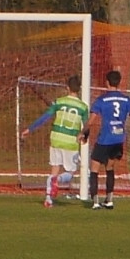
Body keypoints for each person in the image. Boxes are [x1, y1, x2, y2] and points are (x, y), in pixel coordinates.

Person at [21, 75, 89, 208]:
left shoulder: (59, 102)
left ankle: (48, 199)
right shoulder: (83, 107)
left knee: (54, 168)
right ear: (79, 89)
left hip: (56, 138)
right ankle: (57, 181)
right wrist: (84, 137)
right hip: (70, 140)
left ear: (67, 88)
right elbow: (86, 125)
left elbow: (45, 117)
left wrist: (29, 129)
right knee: (70, 172)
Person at [80, 69, 130, 210]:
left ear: (107, 82)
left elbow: (91, 121)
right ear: (119, 83)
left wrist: (82, 132)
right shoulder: (126, 99)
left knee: (94, 168)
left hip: (105, 139)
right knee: (110, 168)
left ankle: (95, 201)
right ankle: (109, 200)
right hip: (118, 140)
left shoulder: (101, 100)